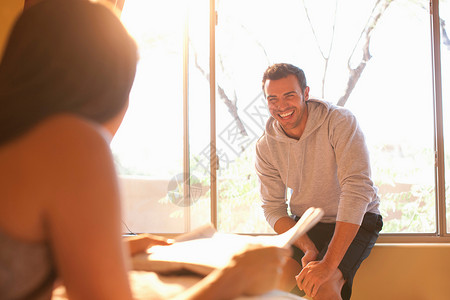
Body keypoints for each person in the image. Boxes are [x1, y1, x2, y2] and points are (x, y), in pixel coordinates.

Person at [0, 1, 291, 299]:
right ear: (109, 87)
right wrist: (235, 277)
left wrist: (116, 249)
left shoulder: (18, 139)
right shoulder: (73, 142)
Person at [255, 63, 383, 300]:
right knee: (270, 282)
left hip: (357, 218)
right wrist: (308, 247)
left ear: (305, 93)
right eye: (273, 99)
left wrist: (327, 264)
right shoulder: (266, 146)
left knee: (321, 287)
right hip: (308, 223)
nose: (281, 106)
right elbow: (273, 209)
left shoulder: (339, 122)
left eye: (289, 96)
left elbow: (356, 190)